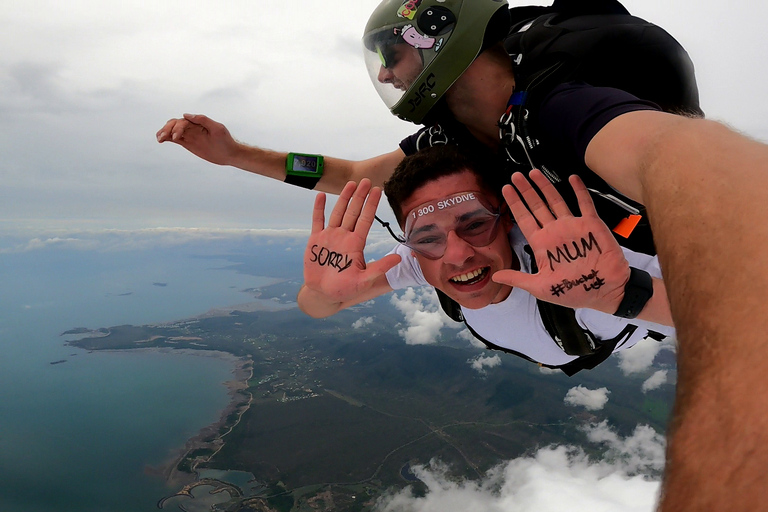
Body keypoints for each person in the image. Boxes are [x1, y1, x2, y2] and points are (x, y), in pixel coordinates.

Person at [157, 1, 768, 508]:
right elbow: (354, 180)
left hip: (613, 289)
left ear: (437, 33)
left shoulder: (565, 119)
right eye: (426, 237)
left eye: (391, 56)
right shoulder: (449, 191)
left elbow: (684, 164)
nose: (389, 76)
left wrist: (623, 295)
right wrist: (238, 159)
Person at [299, 145, 674, 375]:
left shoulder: (584, 271)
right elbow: (317, 307)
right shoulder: (418, 260)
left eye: (476, 224)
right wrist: (324, 291)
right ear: (410, 245)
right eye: (427, 236)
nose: (458, 254)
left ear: (508, 218)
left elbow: (720, 317)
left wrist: (619, 296)